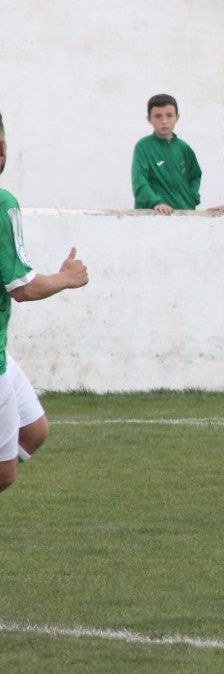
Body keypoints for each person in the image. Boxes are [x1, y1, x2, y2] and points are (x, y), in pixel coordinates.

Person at [0, 111, 89, 493]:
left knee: (34, 430)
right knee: (4, 475)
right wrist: (66, 279)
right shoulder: (3, 202)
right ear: (4, 149)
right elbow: (22, 287)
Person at [131, 93, 201, 214]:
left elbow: (195, 175)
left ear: (177, 117)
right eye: (158, 116)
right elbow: (139, 180)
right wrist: (155, 202)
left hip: (185, 213)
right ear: (149, 119)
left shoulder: (184, 148)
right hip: (155, 215)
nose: (164, 121)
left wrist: (192, 198)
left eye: (169, 115)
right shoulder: (143, 146)